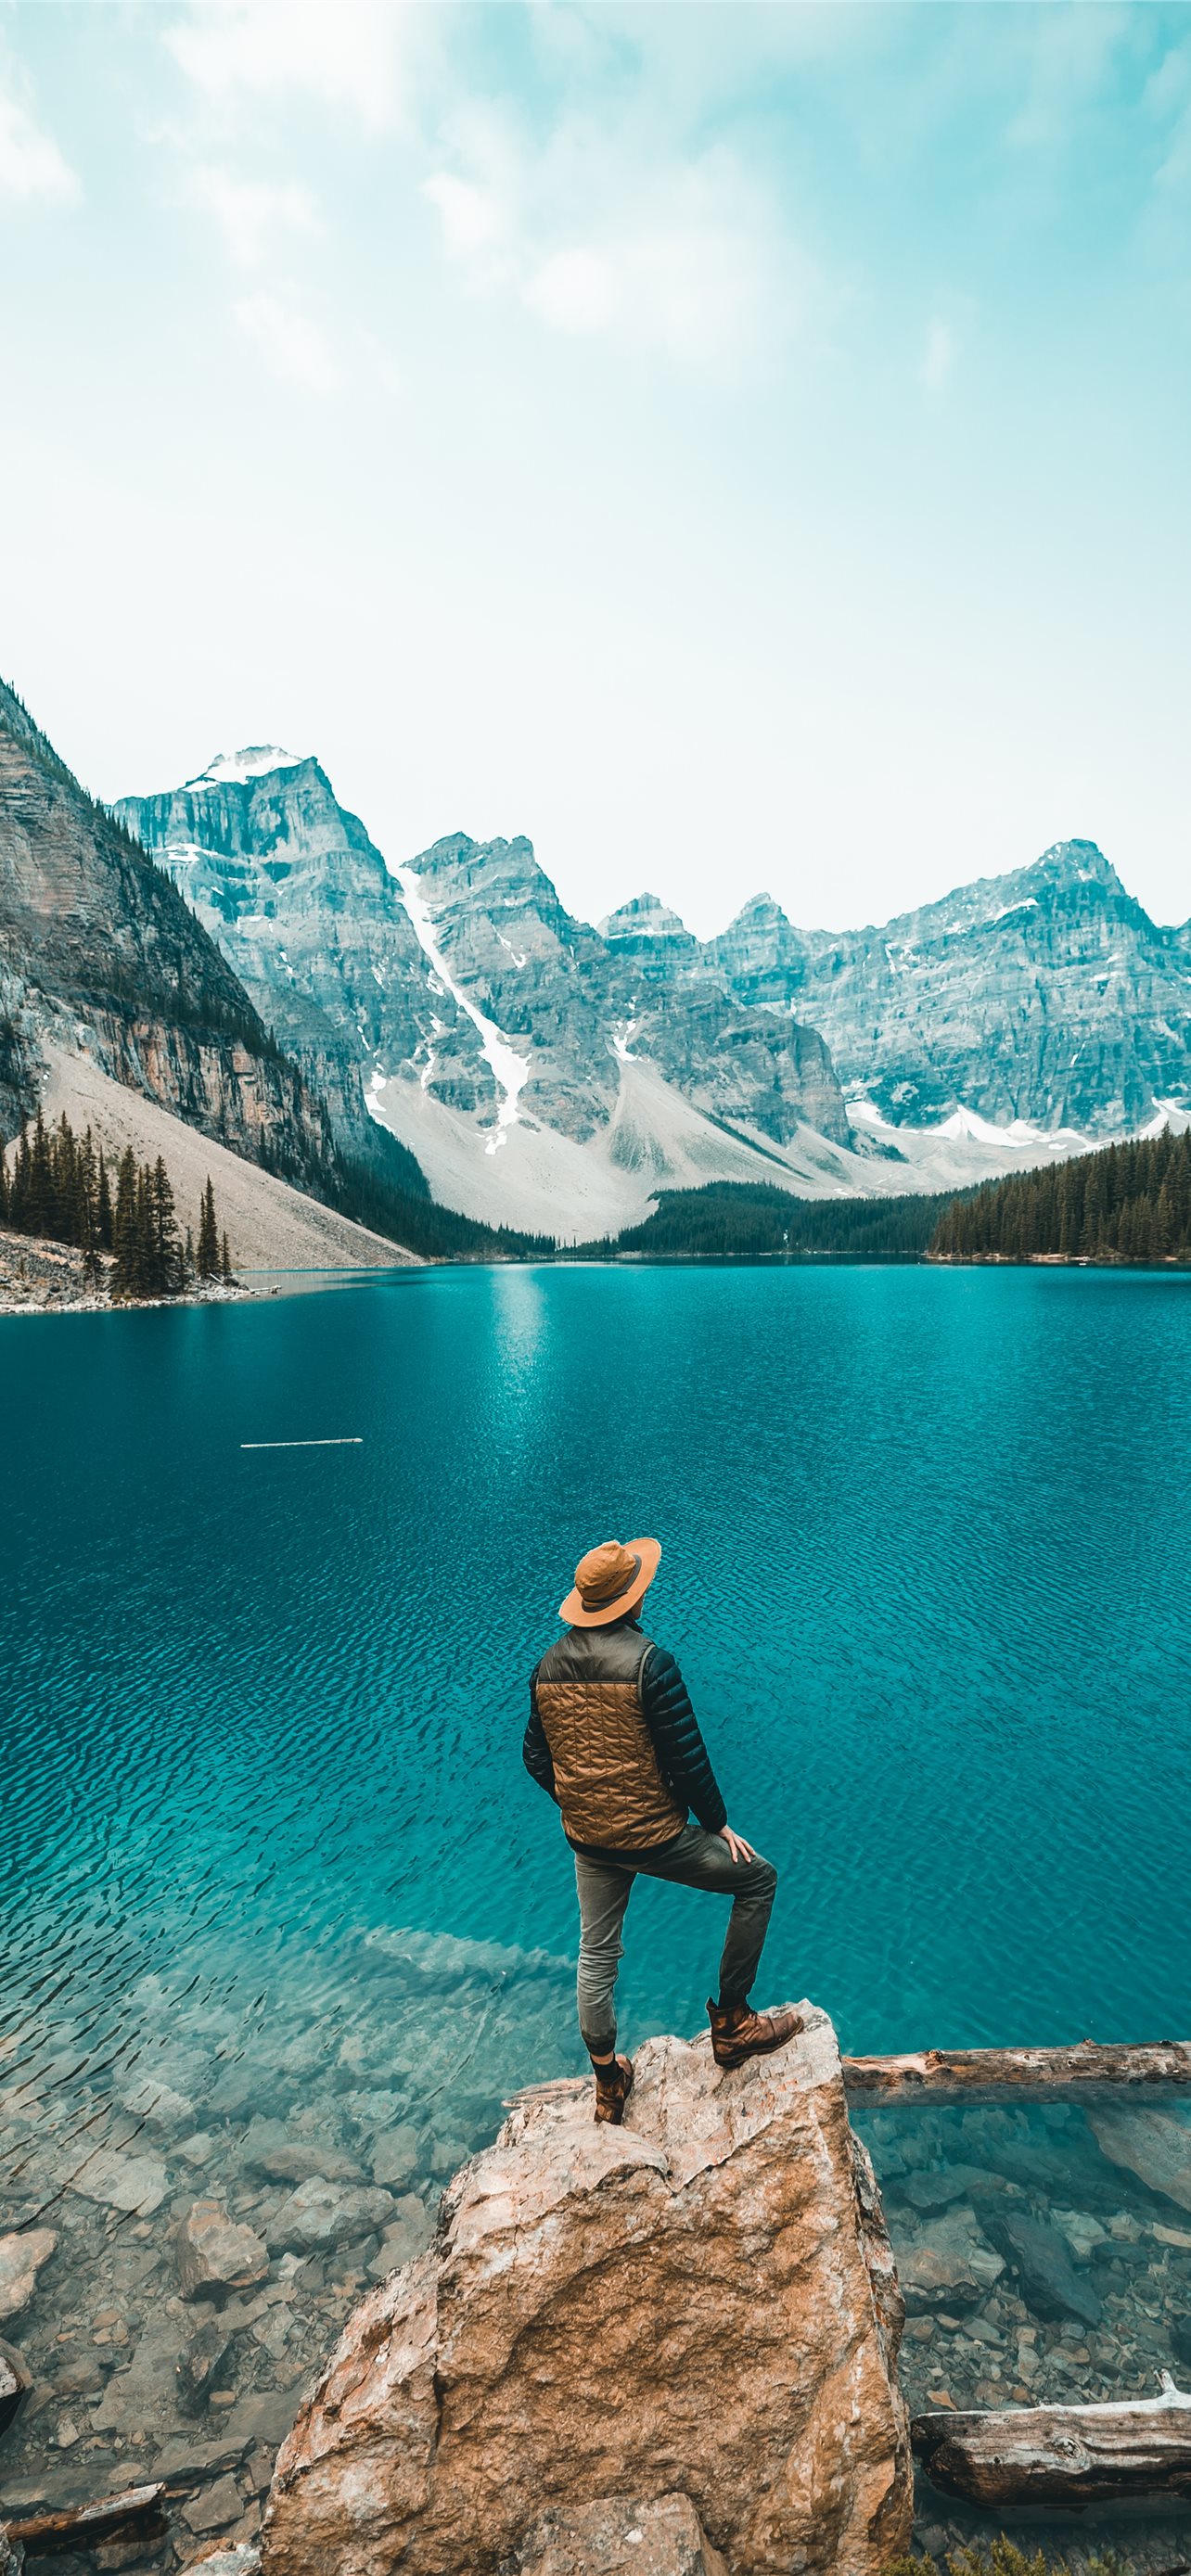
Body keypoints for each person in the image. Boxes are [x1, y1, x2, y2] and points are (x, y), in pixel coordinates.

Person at [523, 1535, 801, 2124]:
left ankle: (607, 2083)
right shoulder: (650, 1662)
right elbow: (687, 1759)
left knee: (596, 1952)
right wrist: (718, 1825)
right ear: (631, 1600)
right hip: (657, 1838)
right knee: (758, 1881)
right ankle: (731, 2024)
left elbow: (535, 1758)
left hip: (590, 1840)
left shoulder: (546, 1667)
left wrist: (579, 1802)